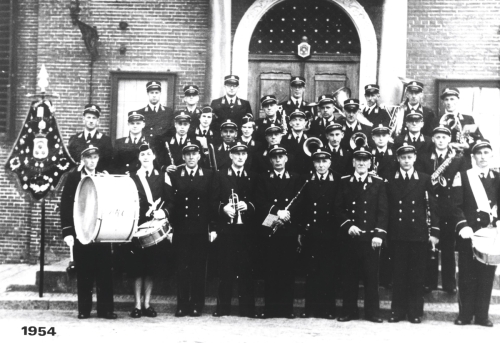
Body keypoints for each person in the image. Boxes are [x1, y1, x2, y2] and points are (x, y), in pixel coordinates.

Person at [61, 144, 116, 320]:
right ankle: (84, 309)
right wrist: (68, 232)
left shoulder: (103, 176)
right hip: (81, 229)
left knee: (104, 272)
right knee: (84, 271)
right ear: (83, 160)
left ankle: (105, 310)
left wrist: (110, 182)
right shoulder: (73, 177)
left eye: (95, 158)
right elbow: (65, 205)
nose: (92, 161)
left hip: (100, 231)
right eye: (88, 158)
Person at [386, 143, 439, 324]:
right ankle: (397, 311)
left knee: (416, 275)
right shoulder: (390, 179)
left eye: (409, 157)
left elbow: (432, 207)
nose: (406, 161)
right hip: (397, 234)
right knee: (398, 274)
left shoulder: (424, 178)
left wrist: (434, 232)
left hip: (418, 234)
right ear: (398, 159)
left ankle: (415, 312)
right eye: (403, 158)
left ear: (415, 158)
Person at [335, 147, 388, 323]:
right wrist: (348, 225)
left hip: (370, 238)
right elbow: (338, 208)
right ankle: (349, 311)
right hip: (350, 237)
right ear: (353, 163)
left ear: (370, 163)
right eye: (358, 160)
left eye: (365, 160)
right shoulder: (344, 181)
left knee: (371, 278)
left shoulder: (378, 183)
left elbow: (383, 211)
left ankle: (372, 312)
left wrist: (379, 234)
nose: (361, 163)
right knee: (349, 276)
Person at [453, 139, 498, 327]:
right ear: (473, 157)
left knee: (486, 276)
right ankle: (465, 315)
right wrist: (463, 225)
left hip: (490, 235)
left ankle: (482, 315)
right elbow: (455, 205)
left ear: (492, 155)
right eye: (479, 153)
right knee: (466, 275)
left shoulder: (498, 178)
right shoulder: (463, 176)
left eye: (486, 152)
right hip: (468, 234)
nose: (483, 156)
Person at [256, 144, 303, 319]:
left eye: (280, 157)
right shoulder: (263, 178)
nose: (277, 160)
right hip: (270, 228)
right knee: (271, 269)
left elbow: (300, 202)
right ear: (270, 160)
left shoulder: (296, 178)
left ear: (286, 159)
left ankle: (287, 308)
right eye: (274, 157)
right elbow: (259, 200)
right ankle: (270, 308)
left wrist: (287, 214)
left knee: (287, 270)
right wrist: (277, 210)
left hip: (288, 228)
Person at [211, 142, 258, 318]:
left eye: (243, 154)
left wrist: (249, 205)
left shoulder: (253, 176)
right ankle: (223, 308)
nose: (240, 157)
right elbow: (213, 200)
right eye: (236, 154)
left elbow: (258, 200)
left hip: (246, 230)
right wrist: (223, 208)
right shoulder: (220, 175)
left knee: (246, 269)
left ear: (247, 156)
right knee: (226, 269)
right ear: (230, 155)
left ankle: (248, 308)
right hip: (227, 229)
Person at [128, 143, 174, 318]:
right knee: (137, 268)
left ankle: (147, 304)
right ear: (139, 158)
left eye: (148, 154)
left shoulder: (163, 176)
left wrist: (164, 212)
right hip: (137, 227)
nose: (146, 157)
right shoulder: (132, 177)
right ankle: (137, 305)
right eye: (142, 155)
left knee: (150, 268)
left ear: (154, 156)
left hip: (155, 227)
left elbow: (171, 201)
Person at [419, 126, 466, 294]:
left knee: (447, 246)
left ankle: (449, 283)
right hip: (429, 205)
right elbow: (422, 180)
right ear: (433, 139)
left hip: (447, 206)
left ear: (449, 140)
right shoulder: (424, 158)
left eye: (444, 138)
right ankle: (429, 282)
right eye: (437, 137)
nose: (440, 140)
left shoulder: (458, 159)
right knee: (430, 244)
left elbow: (460, 184)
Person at [169, 143, 215, 317]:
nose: (190, 157)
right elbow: (172, 202)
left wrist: (212, 227)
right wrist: (171, 228)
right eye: (187, 154)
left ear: (199, 157)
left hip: (201, 228)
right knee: (182, 267)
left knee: (198, 268)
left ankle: (197, 304)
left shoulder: (209, 175)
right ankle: (182, 304)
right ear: (183, 157)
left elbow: (212, 202)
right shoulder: (175, 175)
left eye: (194, 154)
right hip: (181, 228)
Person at [298, 148, 341, 319]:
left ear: (330, 163)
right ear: (313, 163)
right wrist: (302, 230)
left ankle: (328, 309)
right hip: (312, 232)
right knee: (312, 270)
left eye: (324, 162)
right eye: (318, 162)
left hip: (331, 233)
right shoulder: (306, 179)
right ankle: (310, 309)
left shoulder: (337, 179)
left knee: (328, 271)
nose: (321, 165)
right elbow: (302, 207)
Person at [437, 87, 483, 168]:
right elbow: (429, 141)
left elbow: (479, 141)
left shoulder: (468, 119)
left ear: (458, 100)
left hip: (463, 162)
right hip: (442, 162)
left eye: (452, 99)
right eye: (446, 99)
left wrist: (468, 146)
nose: (449, 102)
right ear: (443, 102)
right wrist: (446, 145)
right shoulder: (436, 120)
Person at [67, 104, 113, 172]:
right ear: (83, 119)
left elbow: (109, 164)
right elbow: (70, 162)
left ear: (98, 121)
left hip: (97, 179)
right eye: (88, 117)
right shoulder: (74, 139)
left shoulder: (105, 140)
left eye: (94, 118)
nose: (91, 121)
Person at [136, 81, 174, 152]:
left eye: (156, 93)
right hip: (147, 149)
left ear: (160, 94)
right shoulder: (140, 113)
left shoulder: (168, 112)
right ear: (148, 94)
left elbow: (171, 132)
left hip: (163, 150)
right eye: (151, 93)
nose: (154, 95)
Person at [112, 111, 148, 175]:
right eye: (132, 123)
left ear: (143, 125)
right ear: (128, 124)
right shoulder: (120, 142)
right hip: (124, 178)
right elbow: (114, 165)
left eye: (138, 123)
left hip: (142, 178)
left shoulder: (149, 142)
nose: (135, 126)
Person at [281, 110, 313, 175]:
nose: (297, 123)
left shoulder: (311, 139)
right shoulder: (283, 139)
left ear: (305, 123)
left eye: (300, 120)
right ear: (290, 123)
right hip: (290, 175)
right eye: (294, 120)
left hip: (306, 174)